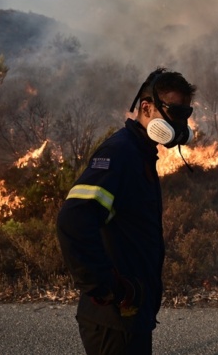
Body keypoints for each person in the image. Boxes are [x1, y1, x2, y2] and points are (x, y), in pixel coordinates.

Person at [56, 67, 197, 354]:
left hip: (132, 314)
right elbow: (73, 219)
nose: (179, 124)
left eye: (184, 114)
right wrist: (108, 289)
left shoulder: (141, 153)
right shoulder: (120, 153)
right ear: (145, 107)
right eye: (173, 112)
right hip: (113, 318)